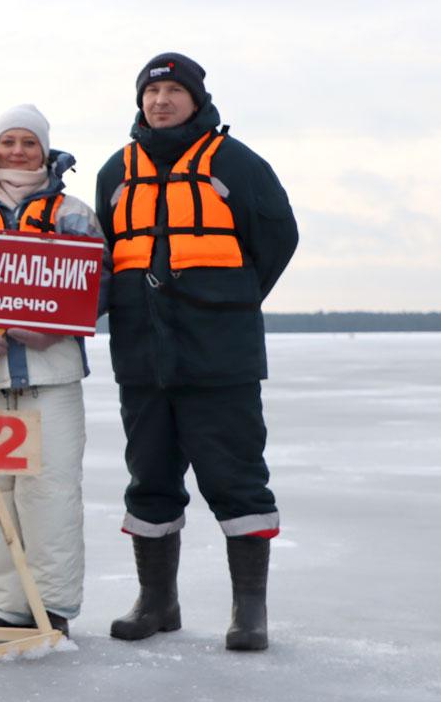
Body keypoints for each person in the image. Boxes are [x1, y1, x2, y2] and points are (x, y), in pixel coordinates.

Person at [95, 53, 298, 651]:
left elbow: (277, 238)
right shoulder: (115, 172)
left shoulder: (234, 162)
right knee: (150, 480)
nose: (161, 101)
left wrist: (229, 300)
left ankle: (250, 611)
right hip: (141, 358)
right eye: (152, 92)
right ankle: (157, 602)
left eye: (173, 91)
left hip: (220, 359)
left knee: (237, 481)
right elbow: (100, 257)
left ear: (195, 98)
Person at [0, 104, 108, 637]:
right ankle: (3, 602)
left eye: (28, 142)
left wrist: (58, 325)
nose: (17, 151)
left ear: (45, 150)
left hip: (50, 381)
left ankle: (50, 604)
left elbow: (98, 285)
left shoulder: (72, 213)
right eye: (8, 141)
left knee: (49, 490)